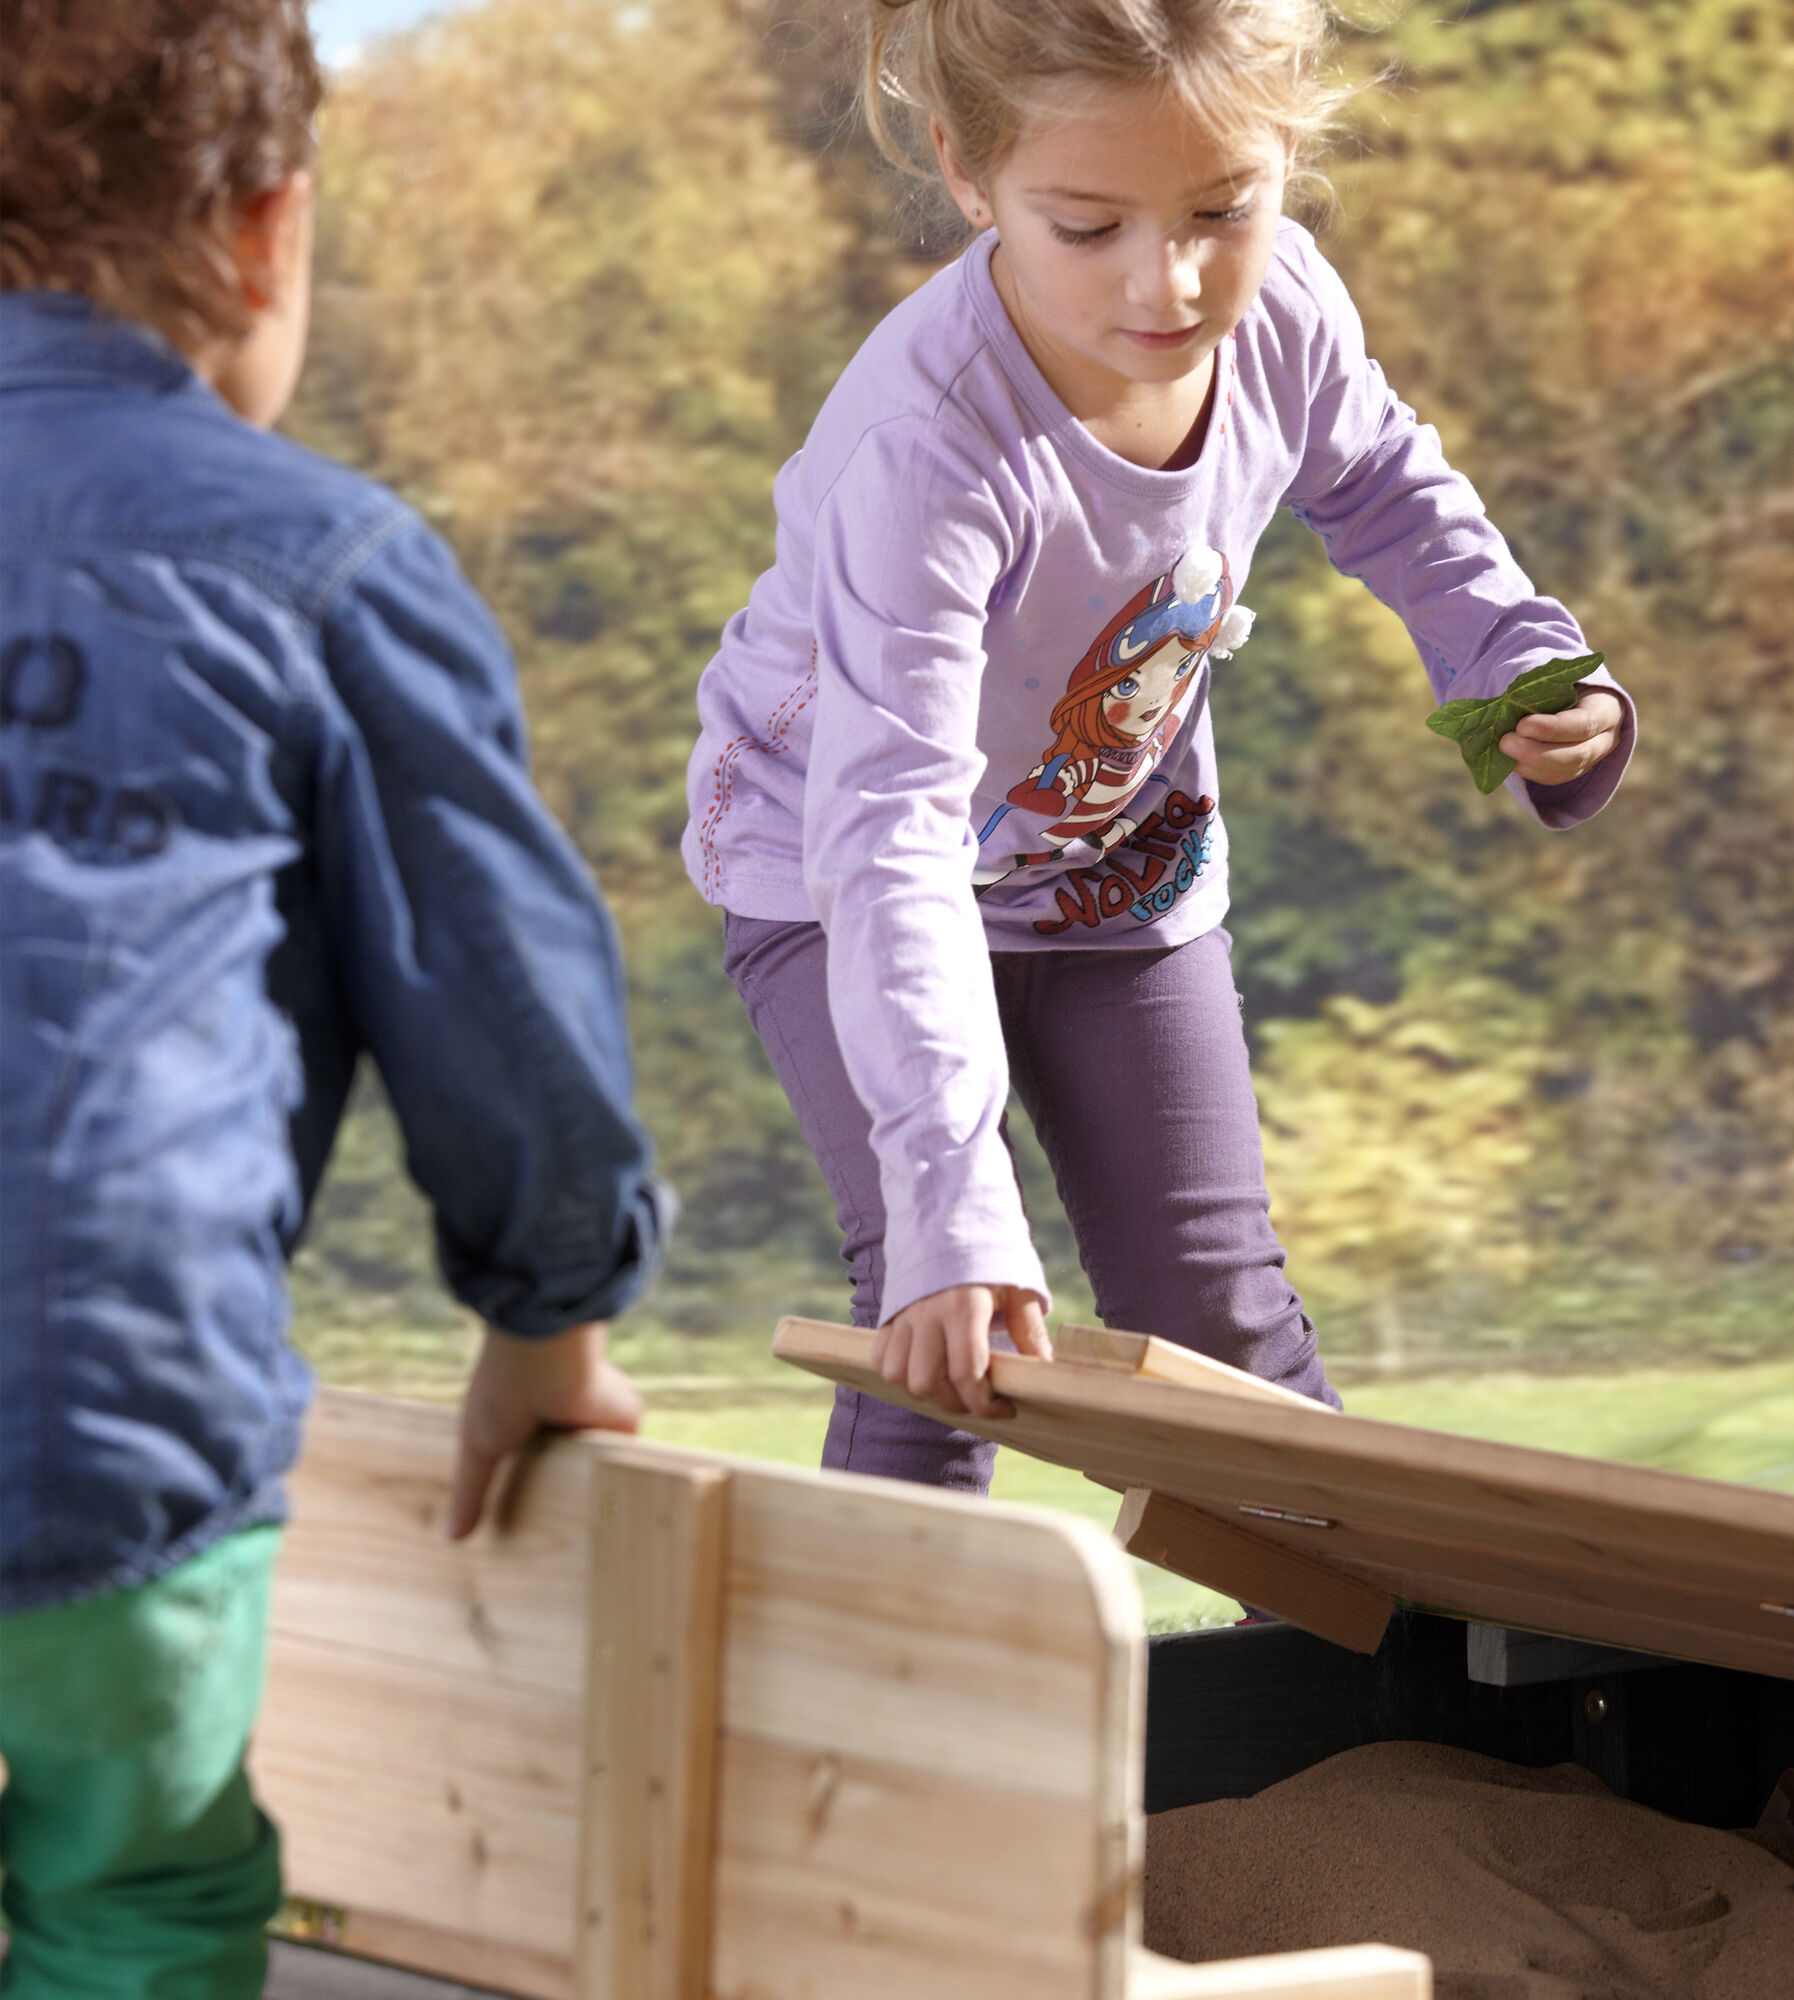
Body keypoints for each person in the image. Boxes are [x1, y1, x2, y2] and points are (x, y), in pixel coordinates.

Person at [683, 0, 1634, 1491]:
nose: (1168, 282)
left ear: (1281, 163)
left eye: (1221, 210)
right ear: (967, 170)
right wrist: (951, 1191)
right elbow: (891, 825)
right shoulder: (930, 447)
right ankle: (875, 1711)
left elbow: (1385, 485)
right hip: (837, 863)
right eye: (1088, 225)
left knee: (1222, 1312)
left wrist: (1517, 660)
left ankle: (1366, 1710)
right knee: (955, 1323)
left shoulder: (1287, 319)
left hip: (1115, 861)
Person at [0, 3, 666, 1992]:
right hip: (97, 1414)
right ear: (266, 233)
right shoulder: (317, 562)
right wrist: (549, 1318)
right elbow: (506, 1001)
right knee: (126, 1903)